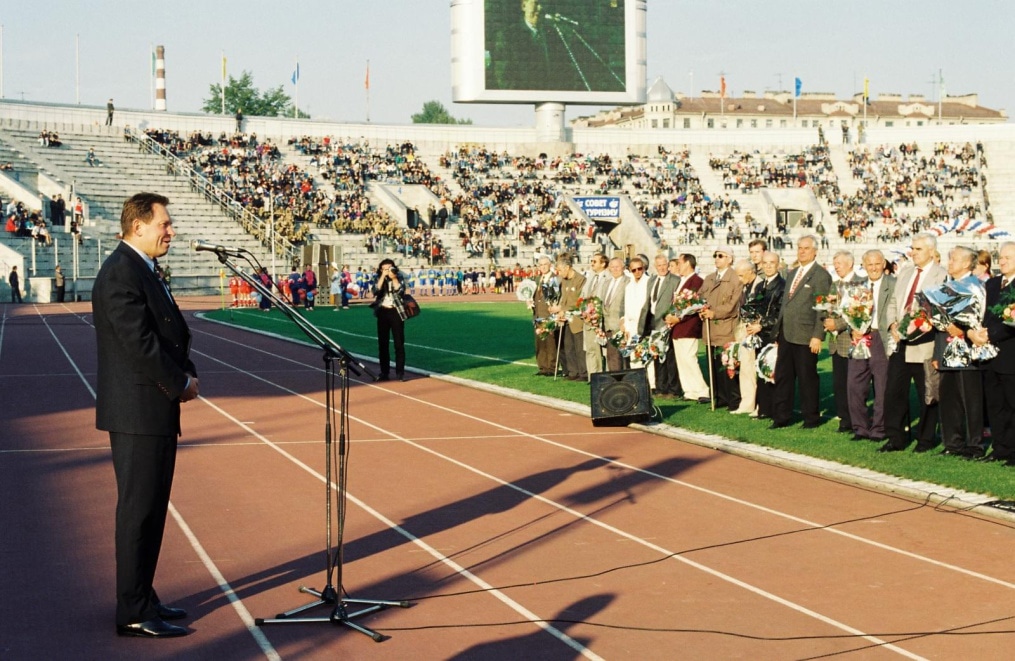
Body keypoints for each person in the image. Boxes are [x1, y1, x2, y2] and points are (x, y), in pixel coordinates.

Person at [92, 193, 198, 638]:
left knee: (153, 508)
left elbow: (168, 331)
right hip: (139, 409)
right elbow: (141, 345)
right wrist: (181, 382)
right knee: (139, 510)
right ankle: (133, 610)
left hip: (152, 407)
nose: (170, 231)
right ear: (138, 226)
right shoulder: (121, 271)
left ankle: (143, 595)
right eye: (164, 224)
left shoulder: (139, 267)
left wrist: (184, 373)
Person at [880, 233, 947, 453]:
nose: (913, 252)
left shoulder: (941, 276)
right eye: (913, 248)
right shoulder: (906, 272)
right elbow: (893, 303)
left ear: (931, 250)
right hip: (900, 343)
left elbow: (938, 311)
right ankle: (896, 437)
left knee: (925, 393)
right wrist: (892, 325)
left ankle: (926, 439)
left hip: (924, 345)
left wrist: (915, 327)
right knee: (894, 391)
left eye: (918, 249)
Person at [771, 235, 833, 429]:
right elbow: (785, 305)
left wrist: (817, 335)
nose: (802, 251)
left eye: (806, 248)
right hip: (786, 334)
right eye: (799, 247)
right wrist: (778, 332)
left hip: (806, 336)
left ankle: (811, 418)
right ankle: (782, 417)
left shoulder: (821, 275)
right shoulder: (792, 272)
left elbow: (821, 308)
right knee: (783, 377)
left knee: (807, 379)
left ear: (815, 251)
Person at [932, 246, 984, 458]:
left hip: (968, 351)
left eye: (953, 259)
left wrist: (962, 329)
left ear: (965, 263)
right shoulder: (946, 286)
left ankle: (975, 445)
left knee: (970, 400)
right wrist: (937, 354)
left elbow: (979, 319)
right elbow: (939, 323)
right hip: (947, 349)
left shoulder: (977, 287)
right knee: (949, 399)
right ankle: (952, 443)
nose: (949, 262)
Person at [969, 241, 1015, 466]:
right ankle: (1001, 448)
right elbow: (985, 313)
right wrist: (976, 333)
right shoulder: (993, 283)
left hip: (1010, 354)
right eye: (1001, 257)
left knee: (1012, 405)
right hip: (990, 355)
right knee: (995, 405)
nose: (1002, 261)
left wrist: (989, 335)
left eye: (1007, 257)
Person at [846, 250, 895, 442]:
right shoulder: (857, 286)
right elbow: (847, 311)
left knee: (882, 386)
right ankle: (860, 428)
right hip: (859, 339)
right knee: (855, 385)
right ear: (863, 265)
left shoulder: (893, 284)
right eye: (869, 264)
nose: (873, 268)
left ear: (883, 264)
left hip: (881, 338)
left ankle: (879, 429)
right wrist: (853, 329)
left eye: (877, 264)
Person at [823, 250, 864, 433]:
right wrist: (826, 318)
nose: (836, 267)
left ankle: (858, 419)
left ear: (850, 263)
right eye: (835, 264)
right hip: (835, 343)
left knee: (855, 384)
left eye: (839, 263)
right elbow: (827, 308)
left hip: (852, 340)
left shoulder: (860, 284)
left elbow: (859, 314)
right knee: (839, 384)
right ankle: (844, 419)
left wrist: (837, 324)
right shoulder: (834, 285)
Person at [699, 248, 743, 410]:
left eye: (720, 256)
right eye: (715, 256)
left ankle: (734, 399)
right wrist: (700, 309)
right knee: (714, 366)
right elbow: (699, 297)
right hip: (709, 328)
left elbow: (733, 305)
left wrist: (714, 313)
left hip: (726, 329)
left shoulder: (734, 279)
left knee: (727, 365)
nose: (716, 259)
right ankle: (719, 397)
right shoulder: (710, 278)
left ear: (729, 259)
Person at [665, 254, 710, 402]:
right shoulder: (681, 281)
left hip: (688, 325)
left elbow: (693, 305)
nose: (677, 266)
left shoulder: (696, 281)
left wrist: (679, 317)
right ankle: (690, 391)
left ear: (687, 264)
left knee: (690, 358)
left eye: (679, 262)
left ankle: (703, 391)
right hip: (677, 326)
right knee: (682, 360)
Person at [747, 252, 785, 419]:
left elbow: (779, 314)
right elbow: (755, 306)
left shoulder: (782, 285)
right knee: (761, 371)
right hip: (759, 335)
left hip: (773, 335)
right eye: (765, 263)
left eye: (772, 263)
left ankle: (775, 409)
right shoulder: (760, 285)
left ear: (778, 265)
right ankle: (763, 408)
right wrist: (750, 320)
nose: (768, 266)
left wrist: (761, 324)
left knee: (773, 373)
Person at [637, 254, 681, 397]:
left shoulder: (675, 280)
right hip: (652, 323)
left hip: (666, 323)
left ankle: (673, 389)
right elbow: (648, 301)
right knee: (656, 355)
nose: (662, 268)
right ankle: (661, 387)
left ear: (668, 265)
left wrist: (671, 318)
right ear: (655, 267)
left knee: (669, 358)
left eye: (664, 265)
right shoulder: (652, 280)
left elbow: (677, 302)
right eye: (659, 265)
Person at [548, 254, 587, 381]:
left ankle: (583, 373)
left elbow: (579, 301)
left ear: (568, 267)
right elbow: (564, 299)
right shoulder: (564, 281)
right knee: (568, 346)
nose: (558, 273)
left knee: (579, 347)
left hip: (577, 319)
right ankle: (572, 372)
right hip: (566, 319)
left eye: (559, 270)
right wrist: (559, 310)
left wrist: (562, 309)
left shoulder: (580, 279)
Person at [371, 258, 407, 381]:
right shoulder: (377, 278)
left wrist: (394, 278)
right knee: (383, 343)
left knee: (399, 343)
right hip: (383, 312)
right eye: (385, 269)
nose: (388, 271)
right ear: (381, 269)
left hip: (396, 311)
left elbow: (401, 291)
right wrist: (382, 277)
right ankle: (384, 372)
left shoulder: (399, 276)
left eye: (390, 268)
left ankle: (400, 373)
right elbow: (375, 291)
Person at [580, 253, 610, 377]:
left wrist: (597, 313)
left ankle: (604, 376)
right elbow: (582, 296)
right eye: (591, 261)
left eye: (595, 261)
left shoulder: (608, 277)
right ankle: (593, 376)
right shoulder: (591, 277)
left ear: (603, 263)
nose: (592, 263)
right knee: (591, 350)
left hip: (601, 319)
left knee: (604, 351)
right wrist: (583, 311)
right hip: (588, 319)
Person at [530, 256, 559, 376]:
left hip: (548, 315)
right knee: (540, 343)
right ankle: (542, 367)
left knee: (550, 343)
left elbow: (556, 296)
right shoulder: (537, 279)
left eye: (545, 264)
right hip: (537, 315)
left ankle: (551, 368)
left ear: (550, 265)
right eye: (540, 264)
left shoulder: (554, 279)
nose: (543, 266)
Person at [601, 257, 629, 372]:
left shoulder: (628, 281)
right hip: (608, 327)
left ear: (623, 267)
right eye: (612, 267)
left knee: (623, 358)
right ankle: (615, 383)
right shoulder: (606, 283)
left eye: (617, 266)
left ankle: (625, 384)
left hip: (621, 326)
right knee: (612, 357)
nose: (615, 269)